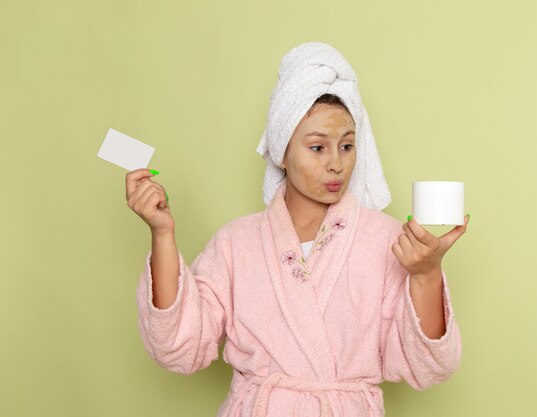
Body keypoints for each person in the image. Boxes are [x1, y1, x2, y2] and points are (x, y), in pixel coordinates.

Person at [126, 42, 469, 417]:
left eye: (348, 145)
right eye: (318, 148)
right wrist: (162, 233)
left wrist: (426, 274)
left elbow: (429, 367)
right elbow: (178, 346)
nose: (337, 164)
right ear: (281, 153)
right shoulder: (236, 243)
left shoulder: (387, 240)